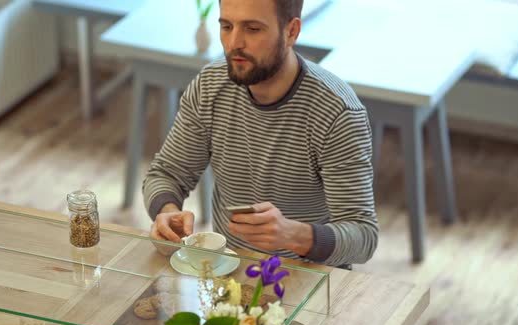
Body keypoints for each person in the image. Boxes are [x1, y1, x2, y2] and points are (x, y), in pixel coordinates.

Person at [143, 0, 378, 268]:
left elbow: (363, 236)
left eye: (252, 29)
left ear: (292, 32)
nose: (234, 43)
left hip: (310, 279)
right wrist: (167, 212)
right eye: (226, 26)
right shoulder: (210, 86)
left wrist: (293, 235)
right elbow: (167, 173)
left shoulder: (337, 112)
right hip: (228, 270)